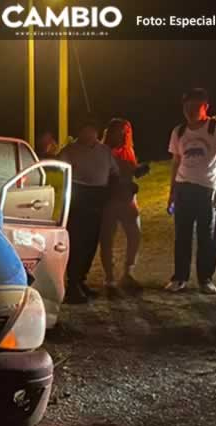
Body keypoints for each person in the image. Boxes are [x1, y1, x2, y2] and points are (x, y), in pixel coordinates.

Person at [165, 88, 216, 295]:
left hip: (207, 189)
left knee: (207, 236)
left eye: (195, 106)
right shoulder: (179, 131)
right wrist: (172, 192)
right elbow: (176, 162)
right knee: (182, 235)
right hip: (184, 187)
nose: (190, 110)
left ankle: (205, 279)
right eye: (187, 107)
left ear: (205, 106)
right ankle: (180, 277)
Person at [57, 117, 120, 304]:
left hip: (98, 197)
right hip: (78, 198)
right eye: (85, 130)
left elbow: (114, 173)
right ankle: (73, 283)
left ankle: (82, 279)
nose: (88, 134)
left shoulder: (104, 151)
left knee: (92, 242)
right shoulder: (69, 151)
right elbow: (59, 173)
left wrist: (112, 192)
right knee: (77, 242)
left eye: (92, 130)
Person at [99, 118, 148, 296]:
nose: (121, 135)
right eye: (118, 131)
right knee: (107, 238)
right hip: (110, 200)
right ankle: (110, 277)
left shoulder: (128, 151)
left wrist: (137, 172)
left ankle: (128, 272)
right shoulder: (104, 152)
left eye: (125, 132)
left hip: (128, 199)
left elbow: (129, 173)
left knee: (134, 234)